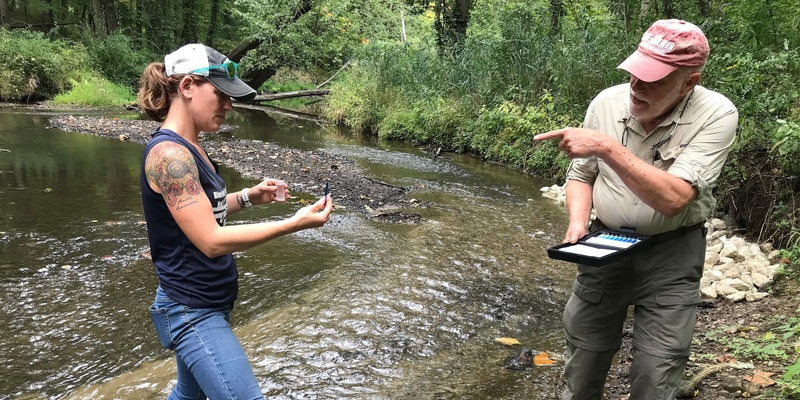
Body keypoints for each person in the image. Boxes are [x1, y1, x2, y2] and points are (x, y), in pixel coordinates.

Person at [534, 20, 738, 399]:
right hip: (604, 244)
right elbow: (582, 175)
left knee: (658, 367)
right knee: (583, 354)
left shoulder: (717, 114)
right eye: (634, 73)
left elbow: (675, 198)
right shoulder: (606, 103)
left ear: (688, 82)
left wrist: (606, 147)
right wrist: (578, 222)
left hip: (672, 253)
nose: (636, 86)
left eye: (654, 79)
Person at [137, 43, 333, 399]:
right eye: (221, 95)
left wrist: (247, 197)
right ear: (187, 88)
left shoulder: (191, 145)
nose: (229, 106)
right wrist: (295, 223)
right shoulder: (169, 156)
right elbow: (210, 239)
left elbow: (197, 210)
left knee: (188, 395)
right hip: (190, 309)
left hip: (208, 300)